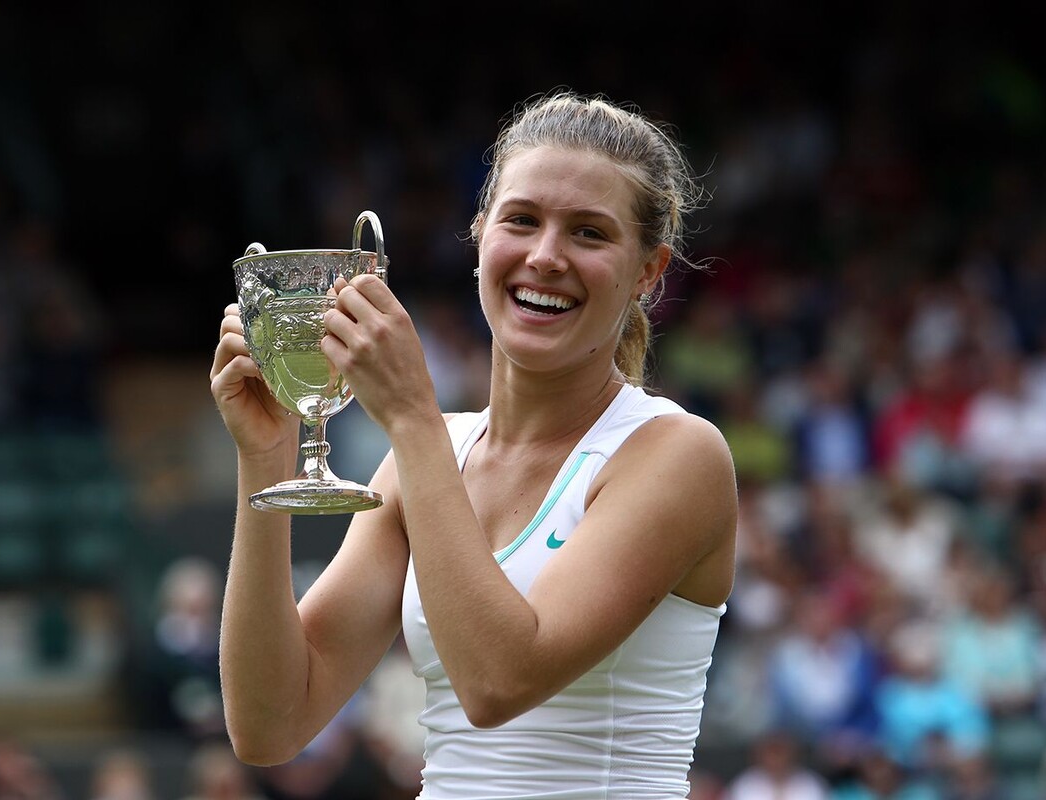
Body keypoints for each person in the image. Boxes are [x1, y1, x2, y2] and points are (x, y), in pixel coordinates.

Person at [211, 90, 738, 798]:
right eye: (522, 221)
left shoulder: (676, 453)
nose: (546, 256)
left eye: (589, 233)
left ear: (649, 271)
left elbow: (497, 682)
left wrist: (411, 414)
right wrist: (265, 459)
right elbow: (269, 724)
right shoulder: (424, 458)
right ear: (480, 234)